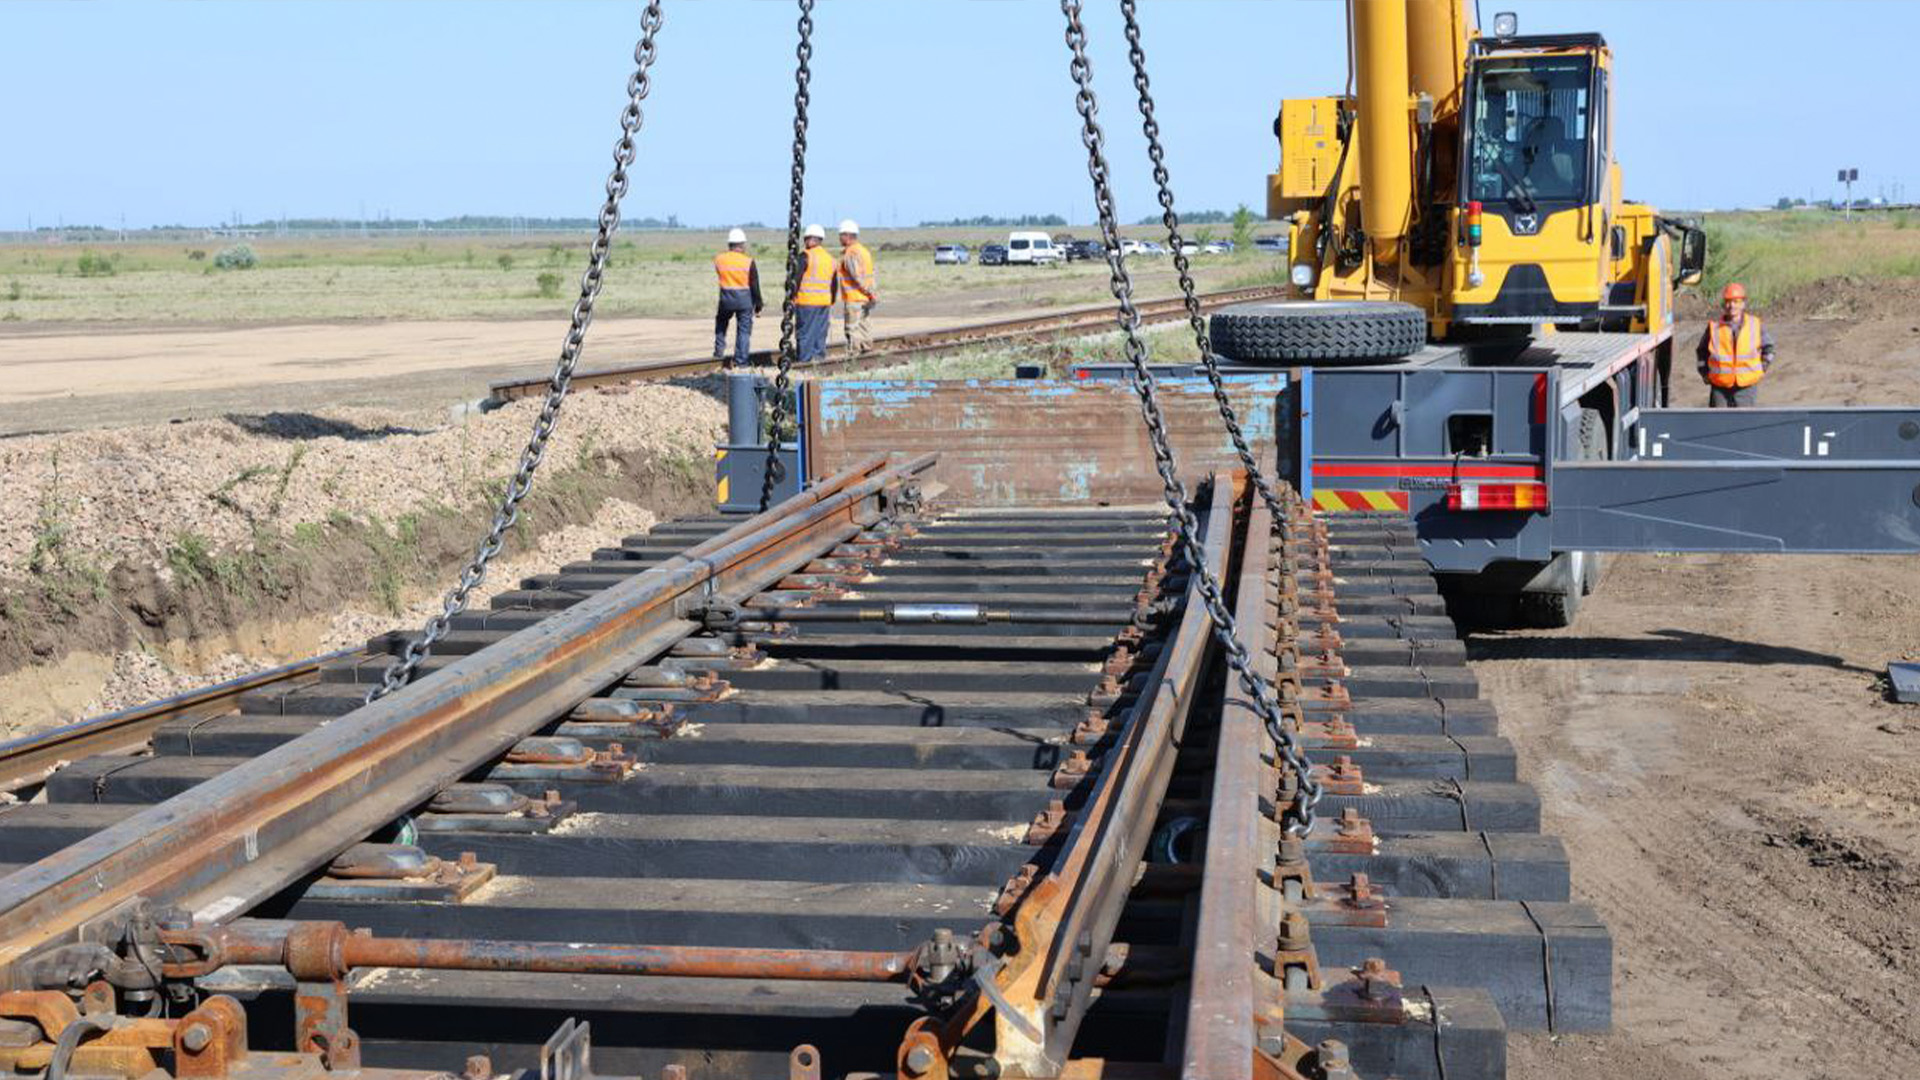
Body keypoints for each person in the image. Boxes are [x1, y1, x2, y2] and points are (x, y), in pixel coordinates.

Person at [1695, 282, 1773, 407]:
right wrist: (1704, 373)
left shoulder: (1755, 325)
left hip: (1746, 387)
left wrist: (1762, 368)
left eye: (1736, 301)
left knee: (1745, 424)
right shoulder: (1714, 327)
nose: (1731, 305)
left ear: (1743, 303)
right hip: (1720, 387)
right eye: (1728, 301)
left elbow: (1769, 349)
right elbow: (1701, 352)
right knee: (1718, 424)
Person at [712, 227, 763, 369]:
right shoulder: (748, 261)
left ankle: (718, 352)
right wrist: (758, 304)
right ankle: (741, 362)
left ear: (729, 244)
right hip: (744, 299)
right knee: (744, 331)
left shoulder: (719, 259)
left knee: (721, 323)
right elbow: (755, 285)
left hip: (726, 298)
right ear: (742, 245)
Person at [833, 219, 878, 355]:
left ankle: (855, 355)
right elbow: (871, 274)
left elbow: (857, 277)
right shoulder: (864, 251)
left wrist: (868, 292)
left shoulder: (851, 253)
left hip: (855, 298)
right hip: (866, 298)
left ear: (847, 235)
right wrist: (871, 294)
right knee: (865, 326)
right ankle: (867, 351)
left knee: (852, 328)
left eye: (841, 235)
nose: (840, 238)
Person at [794, 224, 835, 363]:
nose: (805, 242)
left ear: (810, 239)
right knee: (819, 333)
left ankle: (804, 361)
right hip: (824, 302)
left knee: (805, 333)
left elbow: (796, 279)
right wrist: (832, 300)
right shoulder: (830, 258)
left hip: (806, 302)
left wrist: (791, 297)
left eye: (806, 239)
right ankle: (819, 360)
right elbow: (834, 283)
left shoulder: (805, 256)